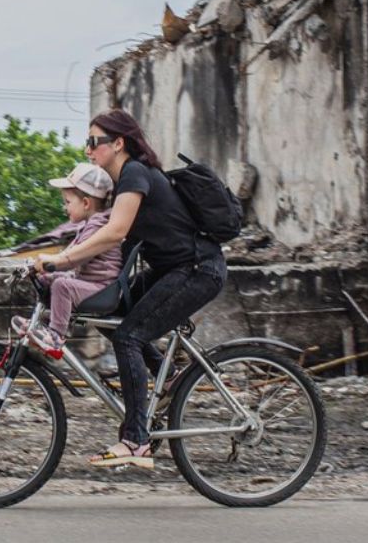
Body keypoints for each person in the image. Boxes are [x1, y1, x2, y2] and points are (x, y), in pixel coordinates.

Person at [30, 108, 226, 471]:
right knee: (112, 312)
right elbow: (91, 230)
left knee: (128, 337)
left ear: (118, 143)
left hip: (197, 270)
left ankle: (135, 440)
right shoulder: (125, 182)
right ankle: (168, 379)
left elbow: (115, 232)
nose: (88, 151)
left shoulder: (134, 172)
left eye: (94, 142)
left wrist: (61, 261)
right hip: (174, 270)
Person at [17, 163, 122, 357]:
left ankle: (55, 335)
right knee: (50, 280)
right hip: (93, 283)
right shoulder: (90, 224)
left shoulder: (97, 225)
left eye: (67, 202)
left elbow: (71, 257)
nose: (65, 207)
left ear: (86, 203)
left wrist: (49, 262)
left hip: (101, 287)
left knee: (62, 286)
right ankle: (40, 325)